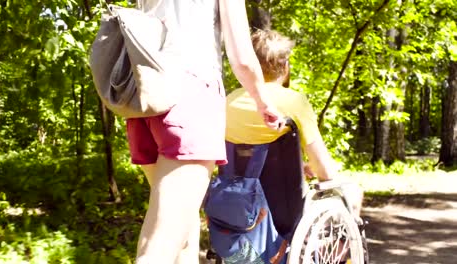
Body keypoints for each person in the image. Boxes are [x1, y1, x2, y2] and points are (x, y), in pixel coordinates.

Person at [126, 1, 284, 263]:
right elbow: (243, 57)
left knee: (183, 232)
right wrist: (263, 101)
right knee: (159, 247)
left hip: (144, 99)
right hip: (191, 93)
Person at [226, 29, 363, 216]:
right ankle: (338, 246)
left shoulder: (228, 101)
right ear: (285, 67)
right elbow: (324, 170)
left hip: (237, 202)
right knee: (353, 191)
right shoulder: (295, 102)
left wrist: (297, 167)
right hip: (285, 208)